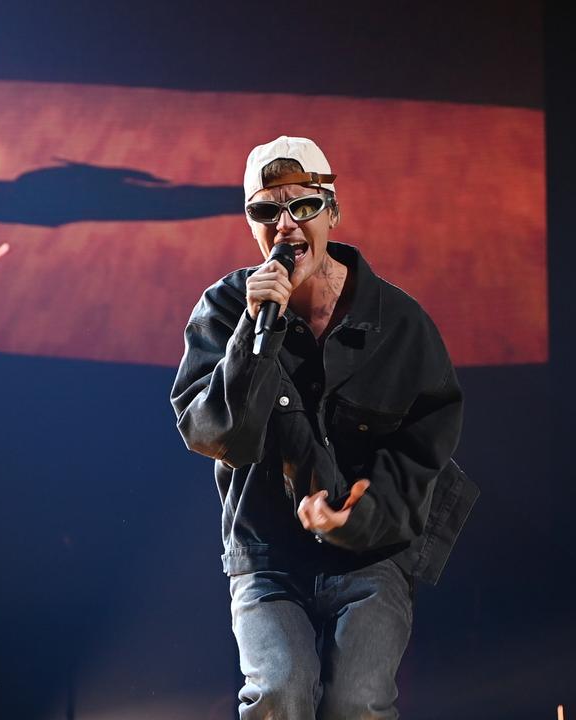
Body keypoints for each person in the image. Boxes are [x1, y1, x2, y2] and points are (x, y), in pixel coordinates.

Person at [172, 136, 478, 719]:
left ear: (332, 211)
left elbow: (426, 444)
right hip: (268, 554)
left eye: (303, 206)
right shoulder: (225, 311)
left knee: (357, 704)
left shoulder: (398, 323)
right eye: (266, 210)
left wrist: (361, 514)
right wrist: (254, 336)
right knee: (278, 695)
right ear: (251, 224)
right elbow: (216, 435)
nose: (285, 225)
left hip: (371, 554)